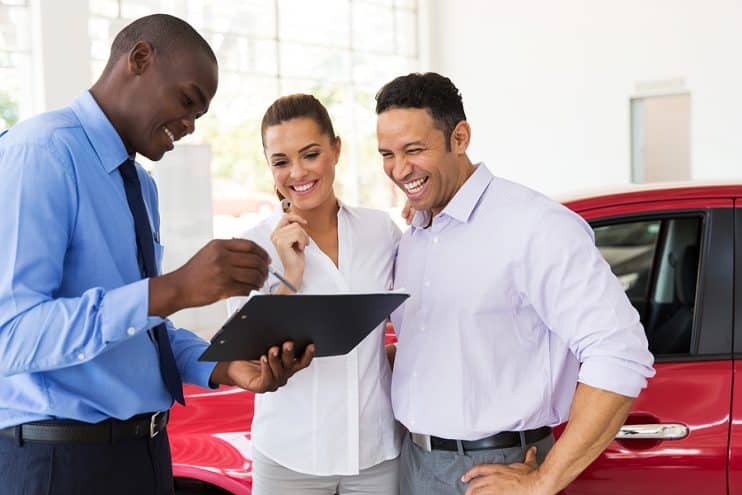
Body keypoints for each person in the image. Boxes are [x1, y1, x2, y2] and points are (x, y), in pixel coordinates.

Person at [0, 14, 312, 495]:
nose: (188, 125)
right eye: (187, 101)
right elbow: (11, 336)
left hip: (144, 454)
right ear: (140, 59)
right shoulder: (41, 153)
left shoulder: (140, 185)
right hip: (60, 462)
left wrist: (224, 366)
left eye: (199, 115)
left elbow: (142, 327)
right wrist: (175, 289)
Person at [375, 72, 656, 495]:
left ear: (460, 137)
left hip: (495, 470)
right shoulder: (416, 233)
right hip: (414, 464)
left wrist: (545, 480)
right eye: (387, 154)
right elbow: (445, 344)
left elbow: (620, 352)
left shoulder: (534, 225)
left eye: (414, 150)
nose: (399, 169)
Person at [227, 94, 402, 495]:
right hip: (291, 456)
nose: (298, 172)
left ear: (335, 150)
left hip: (375, 453)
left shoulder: (381, 232)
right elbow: (246, 354)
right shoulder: (249, 248)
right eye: (281, 161)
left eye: (310, 154)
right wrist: (291, 275)